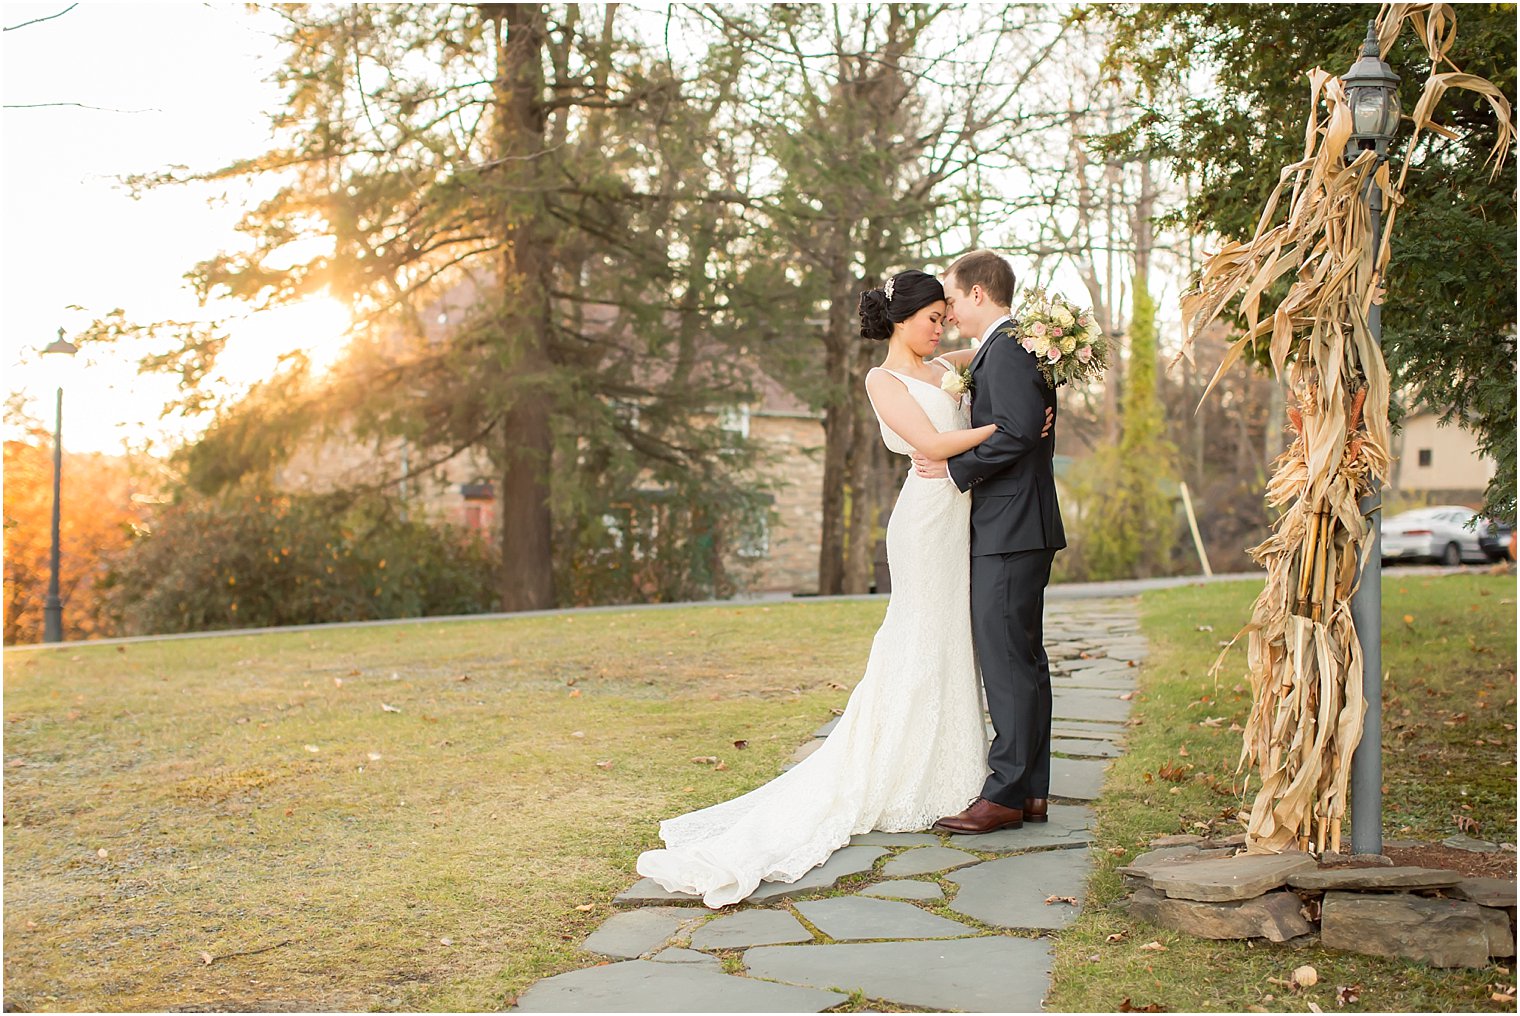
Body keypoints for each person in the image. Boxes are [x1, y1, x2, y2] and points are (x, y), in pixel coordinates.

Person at [635, 269, 1046, 908]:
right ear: (902, 320)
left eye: (946, 315)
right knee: (922, 634)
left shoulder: (949, 366)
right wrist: (1011, 431)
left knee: (960, 642)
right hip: (927, 520)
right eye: (932, 318)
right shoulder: (882, 380)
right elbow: (934, 443)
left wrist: (1037, 382)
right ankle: (907, 769)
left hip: (966, 517)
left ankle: (975, 771)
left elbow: (995, 348)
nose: (941, 328)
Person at [911, 250, 1066, 835]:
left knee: (1007, 662)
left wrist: (957, 471)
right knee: (1024, 660)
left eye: (951, 297)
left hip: (1009, 527)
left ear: (979, 294)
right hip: (1021, 524)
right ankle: (1029, 791)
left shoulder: (1007, 351)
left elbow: (1022, 431)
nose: (947, 310)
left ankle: (1003, 793)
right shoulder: (1007, 349)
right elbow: (1028, 426)